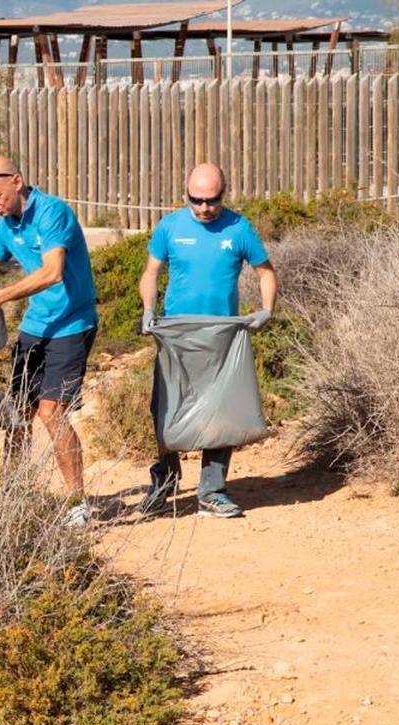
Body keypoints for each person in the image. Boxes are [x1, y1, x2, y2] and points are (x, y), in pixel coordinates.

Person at [0, 156, 99, 528]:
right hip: (35, 325)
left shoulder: (53, 213)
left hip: (72, 324)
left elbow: (53, 272)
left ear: (17, 181)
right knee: (18, 414)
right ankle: (14, 491)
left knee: (51, 413)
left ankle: (77, 501)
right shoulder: (3, 227)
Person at [137, 162, 278, 519]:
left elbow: (265, 272)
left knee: (222, 411)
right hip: (176, 334)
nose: (203, 208)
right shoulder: (170, 227)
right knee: (166, 408)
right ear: (186, 194)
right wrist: (148, 308)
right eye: (195, 199)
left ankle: (212, 492)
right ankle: (164, 482)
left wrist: (266, 309)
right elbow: (151, 272)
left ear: (223, 195)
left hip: (222, 335)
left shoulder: (239, 228)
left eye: (211, 201)